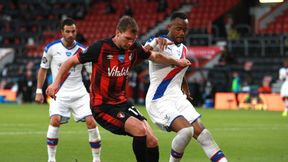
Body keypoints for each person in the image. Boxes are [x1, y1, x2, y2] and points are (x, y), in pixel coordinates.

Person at [46, 15, 191, 162]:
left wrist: (176, 62)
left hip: (122, 103)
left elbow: (155, 56)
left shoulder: (134, 47)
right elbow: (70, 61)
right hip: (102, 106)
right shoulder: (100, 48)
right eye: (127, 38)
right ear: (118, 33)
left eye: (133, 39)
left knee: (152, 140)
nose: (130, 43)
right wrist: (55, 83)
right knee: (139, 130)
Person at [144, 12, 228, 162]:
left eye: (184, 29)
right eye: (178, 29)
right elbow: (144, 53)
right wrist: (155, 41)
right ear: (169, 26)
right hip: (159, 99)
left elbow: (176, 71)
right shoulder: (158, 43)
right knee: (186, 131)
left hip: (177, 97)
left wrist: (184, 84)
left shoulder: (183, 49)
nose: (181, 32)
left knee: (204, 135)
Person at [35, 18, 101, 162]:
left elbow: (92, 73)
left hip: (79, 93)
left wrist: (95, 89)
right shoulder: (51, 48)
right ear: (62, 32)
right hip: (59, 94)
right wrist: (39, 91)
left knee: (91, 121)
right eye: (67, 31)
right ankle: (51, 159)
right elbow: (43, 70)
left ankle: (96, 159)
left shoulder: (83, 50)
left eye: (73, 31)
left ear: (76, 31)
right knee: (55, 120)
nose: (71, 34)